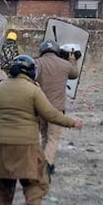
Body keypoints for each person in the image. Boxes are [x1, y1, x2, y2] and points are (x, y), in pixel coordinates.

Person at [0, 55, 81, 205]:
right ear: (31, 72)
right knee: (36, 177)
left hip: (0, 143)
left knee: (1, 180)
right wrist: (71, 122)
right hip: (26, 143)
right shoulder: (33, 90)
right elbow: (50, 114)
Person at [34, 41, 79, 175]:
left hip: (40, 106)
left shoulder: (37, 63)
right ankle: (47, 163)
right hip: (57, 109)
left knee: (44, 135)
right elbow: (74, 74)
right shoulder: (65, 65)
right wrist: (72, 60)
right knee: (53, 137)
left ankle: (42, 161)